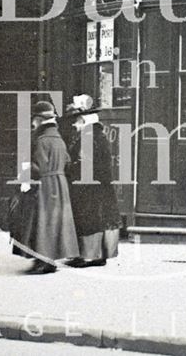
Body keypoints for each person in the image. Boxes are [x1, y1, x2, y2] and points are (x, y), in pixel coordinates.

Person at [10, 101, 79, 274]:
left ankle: (44, 261)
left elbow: (38, 167)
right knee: (54, 223)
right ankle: (47, 259)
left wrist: (24, 171)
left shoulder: (40, 140)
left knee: (41, 222)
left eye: (34, 118)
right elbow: (68, 163)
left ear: (40, 120)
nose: (32, 122)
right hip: (59, 184)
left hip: (44, 185)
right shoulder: (59, 139)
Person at [65, 95, 120, 267]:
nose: (74, 124)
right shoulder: (97, 134)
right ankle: (98, 255)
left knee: (89, 218)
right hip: (100, 186)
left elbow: (84, 164)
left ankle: (90, 256)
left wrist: (69, 168)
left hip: (89, 187)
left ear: (84, 120)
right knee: (101, 218)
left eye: (77, 120)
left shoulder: (88, 137)